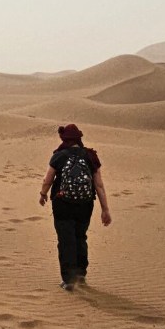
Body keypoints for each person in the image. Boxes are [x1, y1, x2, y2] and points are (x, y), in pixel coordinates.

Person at [38, 124, 111, 291]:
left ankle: (69, 280)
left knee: (66, 240)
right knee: (80, 237)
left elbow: (48, 180)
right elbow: (99, 185)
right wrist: (105, 209)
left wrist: (43, 194)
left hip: (62, 205)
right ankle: (80, 275)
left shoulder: (59, 156)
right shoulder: (90, 156)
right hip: (85, 205)